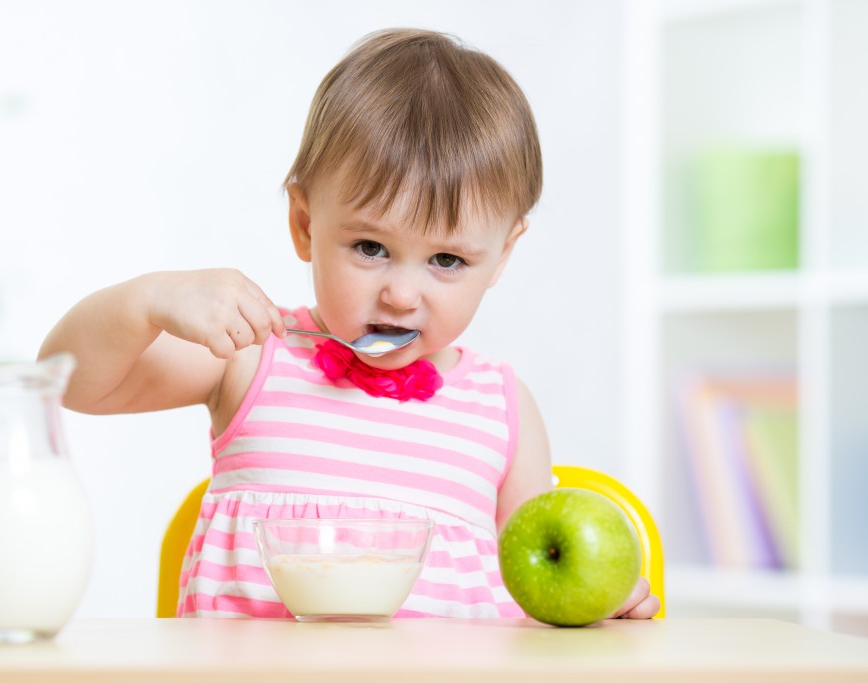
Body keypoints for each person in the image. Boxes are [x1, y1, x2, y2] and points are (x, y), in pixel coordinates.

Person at [39, 28, 659, 620]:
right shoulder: (253, 353)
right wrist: (146, 301)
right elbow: (64, 383)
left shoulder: (502, 409)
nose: (400, 294)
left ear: (502, 255)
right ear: (306, 225)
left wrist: (592, 601)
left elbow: (541, 588)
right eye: (370, 247)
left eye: (447, 260)